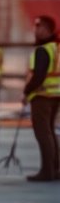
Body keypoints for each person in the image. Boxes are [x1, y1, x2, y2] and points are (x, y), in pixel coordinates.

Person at [23, 15, 59, 182]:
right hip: (55, 95)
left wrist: (26, 91)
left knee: (43, 134)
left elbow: (38, 76)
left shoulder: (43, 50)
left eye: (39, 27)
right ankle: (56, 168)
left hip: (42, 96)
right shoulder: (56, 48)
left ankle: (47, 171)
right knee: (50, 132)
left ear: (47, 30)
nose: (36, 30)